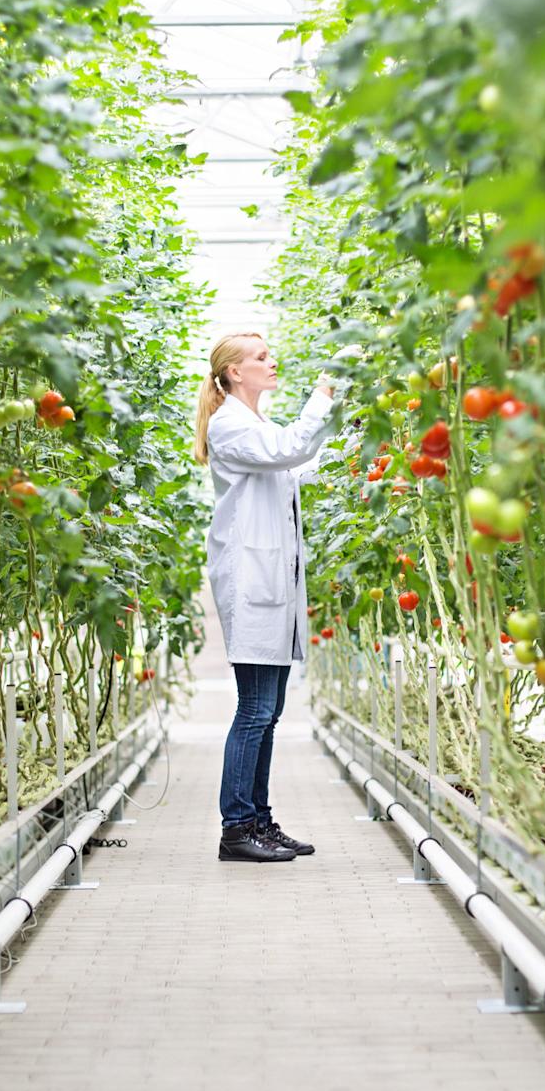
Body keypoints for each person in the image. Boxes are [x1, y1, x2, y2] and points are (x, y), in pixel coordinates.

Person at [193, 331, 349, 863]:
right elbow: (291, 449)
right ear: (235, 372)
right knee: (256, 708)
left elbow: (296, 465)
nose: (271, 362)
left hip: (272, 582)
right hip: (252, 581)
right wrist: (326, 389)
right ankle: (236, 828)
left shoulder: (254, 423)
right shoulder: (230, 424)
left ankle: (258, 819)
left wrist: (352, 450)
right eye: (261, 358)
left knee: (270, 707)